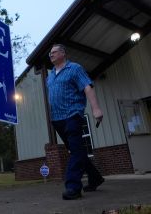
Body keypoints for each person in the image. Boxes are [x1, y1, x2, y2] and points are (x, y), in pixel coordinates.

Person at [46, 44, 105, 200]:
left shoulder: (75, 68)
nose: (50, 55)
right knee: (76, 150)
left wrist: (96, 108)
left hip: (73, 114)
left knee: (76, 151)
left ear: (63, 53)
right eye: (49, 53)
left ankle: (73, 186)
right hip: (57, 119)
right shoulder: (50, 75)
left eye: (54, 52)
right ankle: (95, 178)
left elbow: (87, 87)